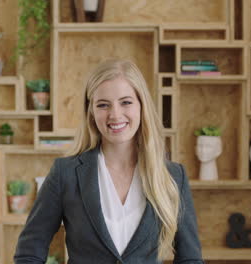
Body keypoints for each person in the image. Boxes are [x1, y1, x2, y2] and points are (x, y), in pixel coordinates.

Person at [14, 59, 203, 264]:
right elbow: (29, 252)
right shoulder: (65, 173)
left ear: (142, 105)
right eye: (103, 105)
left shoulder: (173, 177)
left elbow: (190, 259)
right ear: (91, 112)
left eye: (126, 102)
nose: (115, 114)